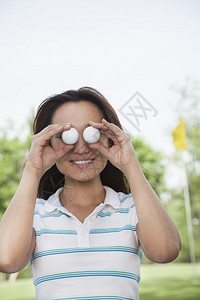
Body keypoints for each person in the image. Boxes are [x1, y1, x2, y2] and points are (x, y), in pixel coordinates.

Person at [0, 87, 181, 300]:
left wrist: (130, 164)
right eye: (67, 135)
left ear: (109, 137)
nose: (82, 147)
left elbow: (165, 251)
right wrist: (33, 169)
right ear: (49, 141)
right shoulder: (35, 214)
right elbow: (6, 260)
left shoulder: (132, 208)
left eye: (91, 132)